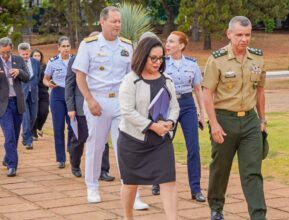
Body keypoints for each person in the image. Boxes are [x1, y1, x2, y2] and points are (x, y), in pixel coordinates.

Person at [72, 6, 149, 209]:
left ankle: (134, 193)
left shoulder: (126, 45)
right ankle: (92, 186)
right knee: (96, 145)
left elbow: (132, 75)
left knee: (126, 147)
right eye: (114, 21)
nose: (117, 25)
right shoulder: (88, 45)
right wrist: (89, 100)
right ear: (102, 22)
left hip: (121, 103)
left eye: (119, 21)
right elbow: (80, 75)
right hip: (97, 100)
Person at [202, 16, 267, 220]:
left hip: (250, 121)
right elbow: (207, 93)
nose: (244, 39)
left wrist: (262, 120)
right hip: (224, 120)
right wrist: (213, 124)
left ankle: (258, 215)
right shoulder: (217, 59)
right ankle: (216, 207)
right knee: (220, 169)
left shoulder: (257, 58)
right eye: (239, 35)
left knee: (252, 172)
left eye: (247, 35)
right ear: (229, 34)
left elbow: (260, 90)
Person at [118, 36, 180, 220]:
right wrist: (151, 126)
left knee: (169, 181)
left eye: (161, 58)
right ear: (142, 56)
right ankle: (128, 217)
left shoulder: (166, 80)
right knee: (130, 184)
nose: (158, 62)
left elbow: (175, 106)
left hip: (160, 140)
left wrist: (170, 122)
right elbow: (127, 111)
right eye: (153, 58)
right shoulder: (131, 80)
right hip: (133, 140)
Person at [153, 31, 205, 202]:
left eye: (172, 41)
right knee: (163, 144)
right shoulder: (162, 64)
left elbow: (198, 89)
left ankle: (195, 189)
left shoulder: (192, 64)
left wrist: (201, 113)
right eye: (167, 41)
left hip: (188, 105)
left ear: (181, 45)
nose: (167, 44)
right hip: (168, 105)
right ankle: (157, 180)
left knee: (194, 147)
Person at [65, 53, 114, 181]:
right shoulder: (75, 60)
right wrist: (71, 108)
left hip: (100, 105)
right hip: (81, 106)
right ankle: (75, 165)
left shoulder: (106, 58)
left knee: (102, 138)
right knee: (80, 138)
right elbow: (69, 85)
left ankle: (103, 170)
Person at [0, 37, 30, 177]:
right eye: (3, 52)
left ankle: (7, 157)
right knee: (9, 134)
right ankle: (12, 165)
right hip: (1, 104)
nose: (5, 56)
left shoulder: (18, 60)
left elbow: (27, 77)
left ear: (11, 49)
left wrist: (19, 72)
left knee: (15, 135)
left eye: (8, 52)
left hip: (17, 102)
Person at [43, 36, 73, 169]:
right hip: (57, 95)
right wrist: (48, 84)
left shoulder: (75, 60)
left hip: (71, 94)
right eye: (64, 46)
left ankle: (72, 150)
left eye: (68, 46)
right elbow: (45, 78)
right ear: (59, 48)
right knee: (58, 127)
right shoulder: (53, 62)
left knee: (73, 126)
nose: (66, 48)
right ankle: (60, 158)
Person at [18, 43, 41, 150]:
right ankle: (28, 140)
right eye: (23, 54)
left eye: (27, 54)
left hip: (34, 93)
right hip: (22, 94)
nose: (26, 56)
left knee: (33, 117)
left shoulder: (36, 62)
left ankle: (25, 133)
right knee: (25, 118)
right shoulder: (16, 63)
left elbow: (38, 76)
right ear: (19, 53)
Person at [30, 49, 49, 140]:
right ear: (31, 57)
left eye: (39, 55)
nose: (37, 57)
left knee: (44, 112)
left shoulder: (45, 66)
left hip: (43, 92)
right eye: (35, 56)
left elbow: (49, 77)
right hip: (32, 93)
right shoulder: (29, 66)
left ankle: (39, 127)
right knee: (34, 113)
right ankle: (33, 134)